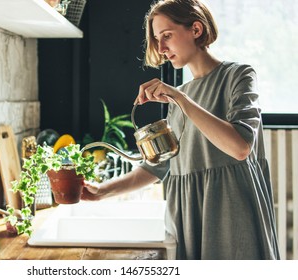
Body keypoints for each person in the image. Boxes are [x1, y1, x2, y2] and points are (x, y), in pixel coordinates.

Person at [81, 0, 280, 260]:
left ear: (196, 29)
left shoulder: (238, 76)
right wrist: (103, 191)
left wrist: (181, 100)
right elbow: (160, 167)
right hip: (188, 214)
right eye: (156, 39)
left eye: (167, 36)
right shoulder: (180, 98)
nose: (161, 48)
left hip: (231, 211)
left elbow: (241, 147)